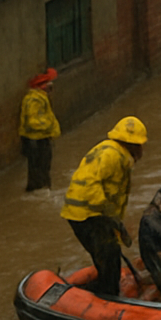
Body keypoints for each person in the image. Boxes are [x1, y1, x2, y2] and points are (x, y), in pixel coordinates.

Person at [60, 115, 147, 297]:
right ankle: (108, 296)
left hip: (88, 214)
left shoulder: (114, 154)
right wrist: (105, 213)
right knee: (109, 254)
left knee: (108, 254)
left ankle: (103, 290)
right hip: (87, 215)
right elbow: (91, 182)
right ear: (133, 145)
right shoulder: (111, 155)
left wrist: (115, 223)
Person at [18, 67, 60, 191]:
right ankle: (40, 194)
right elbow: (32, 122)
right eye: (49, 86)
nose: (51, 89)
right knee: (39, 172)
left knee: (41, 171)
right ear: (42, 86)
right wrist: (49, 127)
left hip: (39, 140)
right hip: (36, 141)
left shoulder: (40, 98)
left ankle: (42, 193)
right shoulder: (34, 100)